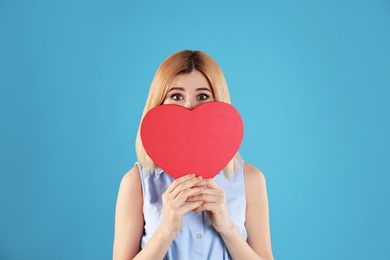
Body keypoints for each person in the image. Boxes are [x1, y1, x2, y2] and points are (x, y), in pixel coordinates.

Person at [113, 50, 274, 260]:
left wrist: (227, 228)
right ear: (159, 103)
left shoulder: (250, 179)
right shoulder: (136, 182)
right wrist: (166, 230)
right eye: (176, 96)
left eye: (203, 96)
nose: (189, 107)